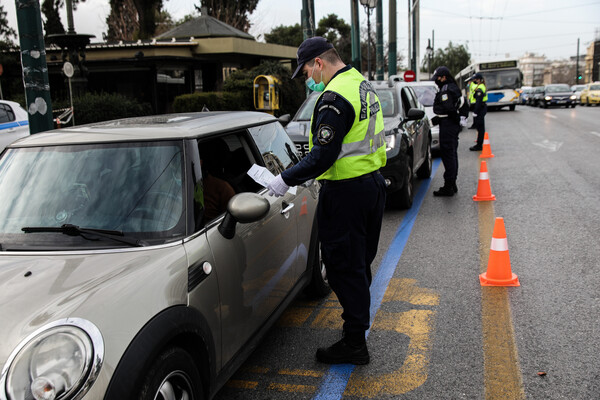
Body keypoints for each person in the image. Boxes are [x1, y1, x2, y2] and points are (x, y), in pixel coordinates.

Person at [266, 36, 387, 365]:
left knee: (343, 267)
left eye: (306, 70)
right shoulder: (359, 83)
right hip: (371, 186)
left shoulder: (335, 97)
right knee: (358, 264)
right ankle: (357, 327)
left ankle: (354, 343)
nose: (308, 78)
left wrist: (283, 179)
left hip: (347, 192)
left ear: (318, 62)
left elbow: (322, 156)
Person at [431, 66, 465, 197]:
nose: (436, 80)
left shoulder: (446, 90)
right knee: (452, 154)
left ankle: (449, 186)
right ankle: (452, 183)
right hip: (449, 124)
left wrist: (451, 118)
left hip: (448, 125)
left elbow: (448, 108)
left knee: (448, 155)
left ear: (444, 77)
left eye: (438, 78)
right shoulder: (451, 87)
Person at [469, 73, 487, 151]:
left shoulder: (480, 88)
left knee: (480, 128)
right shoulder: (480, 86)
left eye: (476, 79)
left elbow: (479, 101)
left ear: (479, 80)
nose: (474, 81)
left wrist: (475, 112)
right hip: (482, 108)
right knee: (480, 127)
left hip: (480, 108)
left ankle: (479, 145)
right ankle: (479, 143)